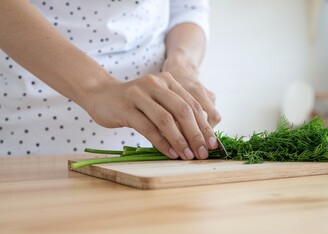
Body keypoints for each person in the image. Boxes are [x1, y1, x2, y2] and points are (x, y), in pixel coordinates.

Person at [0, 0, 221, 159]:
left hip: (148, 146)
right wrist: (97, 87)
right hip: (25, 137)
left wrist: (181, 66)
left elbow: (187, 7)